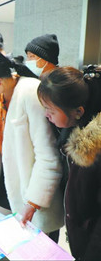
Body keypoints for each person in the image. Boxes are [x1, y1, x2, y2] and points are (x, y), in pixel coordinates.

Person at [0, 45, 64, 237]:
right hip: (3, 187)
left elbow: (48, 157)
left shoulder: (30, 92)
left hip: (32, 194)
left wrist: (33, 202)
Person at [37, 66, 101, 260]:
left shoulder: (95, 149)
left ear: (79, 111)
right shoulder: (72, 131)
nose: (46, 115)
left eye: (50, 110)